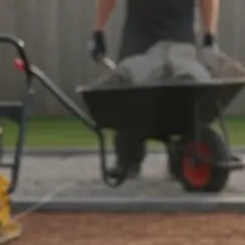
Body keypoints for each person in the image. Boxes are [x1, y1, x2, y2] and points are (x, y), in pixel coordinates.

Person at [90, 0, 221, 179]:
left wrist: (98, 31)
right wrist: (209, 37)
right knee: (179, 95)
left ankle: (134, 159)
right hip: (165, 42)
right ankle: (173, 154)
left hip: (153, 43)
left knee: (132, 96)